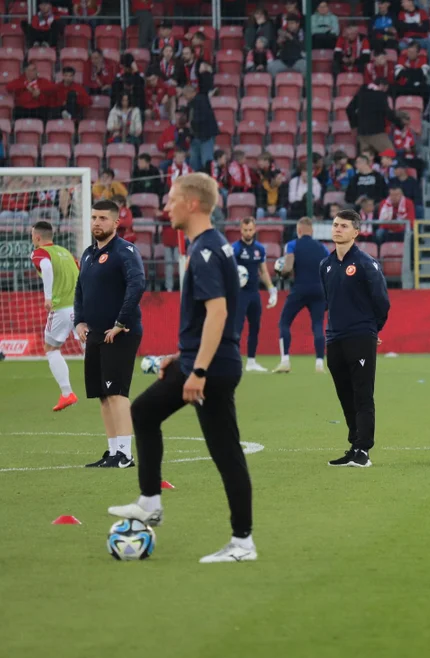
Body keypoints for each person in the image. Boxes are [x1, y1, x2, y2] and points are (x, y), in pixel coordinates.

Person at [107, 173, 256, 563]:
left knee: (225, 454)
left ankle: (242, 543)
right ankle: (150, 501)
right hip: (200, 360)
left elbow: (218, 313)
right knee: (143, 412)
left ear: (192, 204)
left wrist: (199, 371)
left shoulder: (207, 251)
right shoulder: (211, 246)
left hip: (212, 368)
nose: (165, 206)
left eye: (172, 199)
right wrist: (182, 356)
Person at [73, 200, 146, 468]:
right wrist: (79, 321)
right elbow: (80, 289)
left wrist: (120, 322)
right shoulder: (88, 254)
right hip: (94, 334)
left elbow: (137, 284)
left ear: (116, 223)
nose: (96, 223)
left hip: (120, 332)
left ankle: (126, 455)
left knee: (116, 393)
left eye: (103, 218)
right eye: (94, 217)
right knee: (102, 395)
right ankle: (113, 451)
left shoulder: (125, 251)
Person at [322, 210, 391, 468]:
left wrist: (373, 330)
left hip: (360, 337)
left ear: (356, 232)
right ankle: (354, 444)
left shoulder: (365, 263)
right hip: (335, 339)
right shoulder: (325, 265)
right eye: (335, 225)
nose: (337, 229)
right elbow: (329, 301)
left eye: (343, 226)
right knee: (345, 396)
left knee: (363, 394)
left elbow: (382, 301)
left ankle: (364, 450)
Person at [30, 221, 80, 412]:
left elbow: (47, 268)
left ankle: (67, 393)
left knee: (51, 348)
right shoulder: (65, 252)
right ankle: (107, 383)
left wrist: (48, 297)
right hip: (80, 306)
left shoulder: (40, 253)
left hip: (61, 308)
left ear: (37, 237)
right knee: (90, 347)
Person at [274, 217, 330, 373]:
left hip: (300, 288)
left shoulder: (292, 245)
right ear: (311, 231)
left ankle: (285, 360)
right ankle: (319, 363)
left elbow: (288, 267)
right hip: (319, 290)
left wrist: (281, 272)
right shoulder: (322, 247)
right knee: (318, 325)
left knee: (284, 322)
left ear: (298, 231)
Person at [233, 217, 279, 373]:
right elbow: (228, 270)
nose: (248, 232)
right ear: (241, 230)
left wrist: (271, 289)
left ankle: (251, 361)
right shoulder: (235, 249)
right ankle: (234, 360)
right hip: (240, 294)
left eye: (250, 229)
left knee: (255, 327)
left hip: (254, 293)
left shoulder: (259, 248)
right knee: (236, 328)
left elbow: (263, 271)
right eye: (245, 230)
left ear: (255, 229)